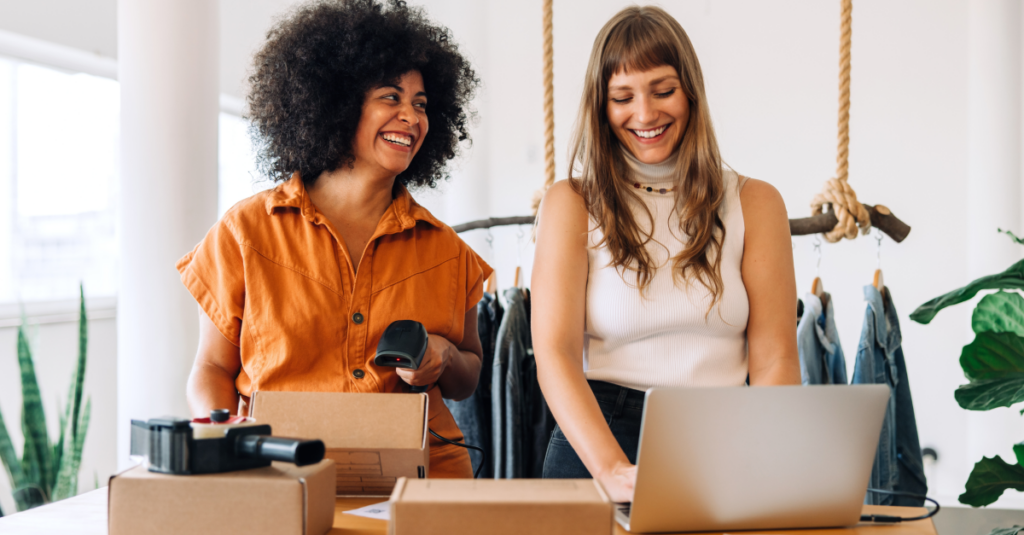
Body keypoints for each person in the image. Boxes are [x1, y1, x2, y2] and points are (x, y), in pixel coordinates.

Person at [177, 0, 486, 478]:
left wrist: (443, 357)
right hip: (280, 472)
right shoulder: (245, 232)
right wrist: (229, 443)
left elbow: (468, 377)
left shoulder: (447, 250)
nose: (411, 116)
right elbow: (213, 370)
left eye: (421, 104)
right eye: (391, 97)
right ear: (338, 103)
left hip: (420, 480)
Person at [532, 6, 801, 501]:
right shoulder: (571, 204)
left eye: (663, 90)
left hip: (727, 430)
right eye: (622, 97)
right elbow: (556, 353)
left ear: (691, 92)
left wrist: (763, 452)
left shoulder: (756, 203)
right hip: (601, 436)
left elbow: (777, 359)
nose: (645, 114)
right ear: (600, 105)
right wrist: (612, 468)